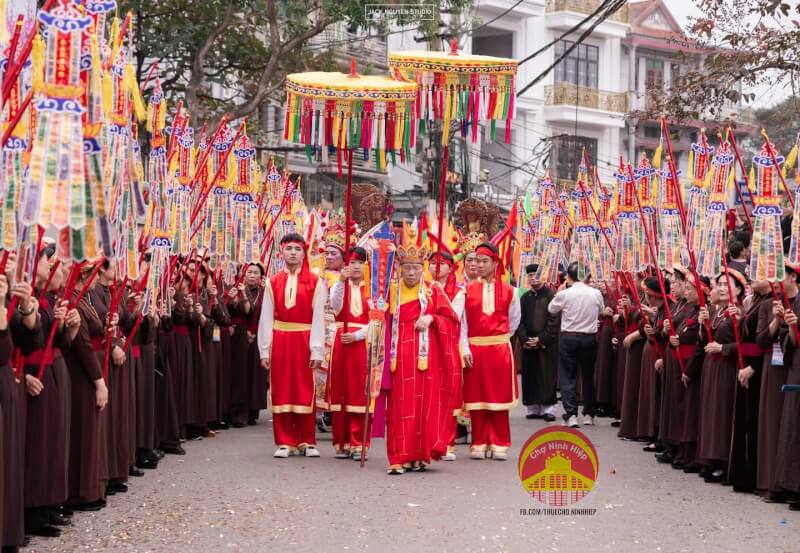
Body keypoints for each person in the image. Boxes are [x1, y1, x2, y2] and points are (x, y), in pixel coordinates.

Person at [257, 234, 326, 458]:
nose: (293, 253)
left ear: (304, 252)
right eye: (289, 249)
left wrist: (317, 348)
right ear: (282, 252)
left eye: (298, 248)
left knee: (305, 389)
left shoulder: (315, 282)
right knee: (281, 388)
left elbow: (318, 318)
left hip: (304, 338)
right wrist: (264, 349)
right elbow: (266, 317)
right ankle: (285, 441)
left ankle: (307, 440)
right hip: (281, 338)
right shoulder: (272, 281)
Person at [385, 244, 448, 474]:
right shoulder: (390, 291)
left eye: (416, 268)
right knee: (399, 406)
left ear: (424, 269)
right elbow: (378, 320)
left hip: (425, 356)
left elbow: (450, 319)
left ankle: (419, 455)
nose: (411, 273)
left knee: (423, 405)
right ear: (400, 268)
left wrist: (432, 318)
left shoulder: (433, 290)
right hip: (397, 356)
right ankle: (398, 457)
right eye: (407, 268)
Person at [461, 242, 520, 460]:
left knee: (499, 399)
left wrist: (500, 338)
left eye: (485, 261)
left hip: (499, 349)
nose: (480, 265)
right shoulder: (466, 290)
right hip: (475, 348)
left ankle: (499, 443)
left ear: (495, 263)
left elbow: (514, 321)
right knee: (476, 398)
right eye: (476, 261)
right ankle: (478, 442)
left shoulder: (510, 291)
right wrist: (465, 347)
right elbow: (463, 322)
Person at [696, 268, 747, 483]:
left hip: (728, 367)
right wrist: (701, 324)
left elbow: (746, 344)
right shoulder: (716, 311)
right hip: (711, 367)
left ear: (739, 289)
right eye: (720, 284)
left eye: (728, 284)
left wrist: (723, 349)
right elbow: (704, 341)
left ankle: (724, 461)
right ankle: (711, 458)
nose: (723, 288)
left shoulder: (741, 312)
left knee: (723, 414)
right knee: (711, 412)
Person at [547, 261, 604, 428]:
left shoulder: (565, 294)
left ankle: (571, 414)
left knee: (567, 376)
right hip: (589, 338)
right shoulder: (596, 293)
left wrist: (562, 290)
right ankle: (588, 414)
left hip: (569, 337)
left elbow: (551, 309)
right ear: (587, 276)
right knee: (588, 375)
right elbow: (601, 310)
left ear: (569, 277)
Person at [328, 247, 370, 460]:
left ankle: (357, 442)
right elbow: (335, 307)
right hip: (340, 342)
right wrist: (340, 283)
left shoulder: (373, 290)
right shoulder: (337, 286)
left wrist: (358, 336)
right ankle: (341, 441)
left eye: (360, 263)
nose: (355, 267)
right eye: (352, 263)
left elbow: (378, 321)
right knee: (340, 391)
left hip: (362, 344)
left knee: (359, 392)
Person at [428, 249, 465, 461]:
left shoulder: (458, 291)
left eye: (441, 263)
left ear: (450, 267)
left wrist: (438, 297)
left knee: (447, 393)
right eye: (432, 263)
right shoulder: (422, 288)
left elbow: (453, 317)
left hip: (448, 346)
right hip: (426, 345)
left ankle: (448, 442)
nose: (436, 267)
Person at [516, 264, 559, 422]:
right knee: (530, 374)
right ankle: (533, 407)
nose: (533, 277)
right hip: (528, 343)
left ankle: (549, 408)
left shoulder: (551, 295)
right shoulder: (525, 297)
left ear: (544, 276)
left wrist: (541, 339)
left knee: (546, 375)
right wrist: (525, 339)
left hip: (546, 344)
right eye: (530, 275)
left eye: (536, 274)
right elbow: (518, 320)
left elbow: (554, 321)